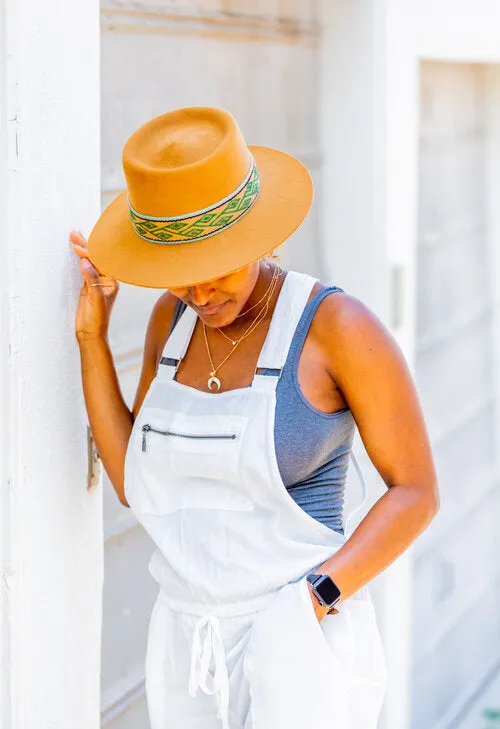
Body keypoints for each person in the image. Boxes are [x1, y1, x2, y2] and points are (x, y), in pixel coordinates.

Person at [71, 106, 439, 729]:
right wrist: (91, 339)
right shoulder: (174, 319)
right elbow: (139, 486)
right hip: (187, 642)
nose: (203, 294)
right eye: (183, 277)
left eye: (221, 269)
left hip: (297, 640)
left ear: (263, 237)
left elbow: (417, 491)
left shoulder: (335, 328)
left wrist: (313, 601)